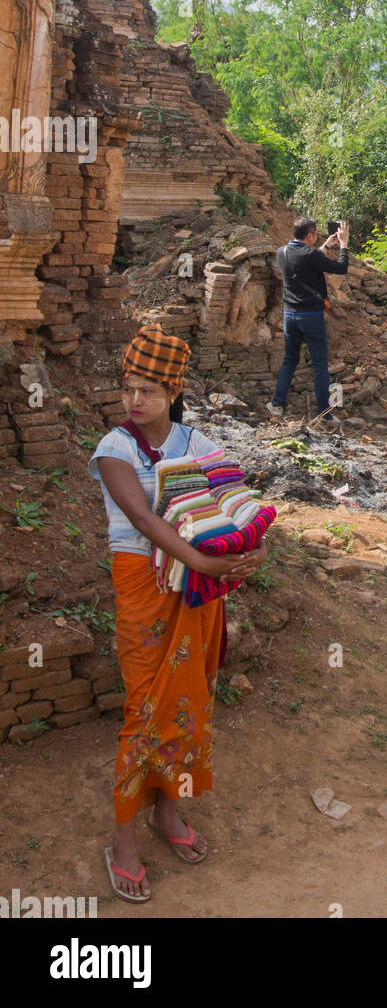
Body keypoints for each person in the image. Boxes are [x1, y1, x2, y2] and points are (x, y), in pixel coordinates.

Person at [89, 324, 267, 904]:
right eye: (128, 389)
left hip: (194, 591)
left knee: (190, 702)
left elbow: (234, 506)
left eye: (148, 390)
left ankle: (168, 815)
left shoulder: (198, 445)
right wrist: (207, 564)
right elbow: (144, 521)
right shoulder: (114, 449)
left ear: (173, 392)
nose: (134, 401)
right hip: (147, 585)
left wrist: (250, 548)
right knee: (145, 706)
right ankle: (123, 839)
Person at [268, 216, 349, 422]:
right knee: (320, 364)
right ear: (310, 235)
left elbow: (303, 263)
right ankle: (324, 413)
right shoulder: (311, 255)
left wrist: (324, 246)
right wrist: (344, 244)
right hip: (311, 317)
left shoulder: (282, 252)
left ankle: (277, 404)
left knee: (290, 360)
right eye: (315, 232)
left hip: (290, 316)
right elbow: (341, 268)